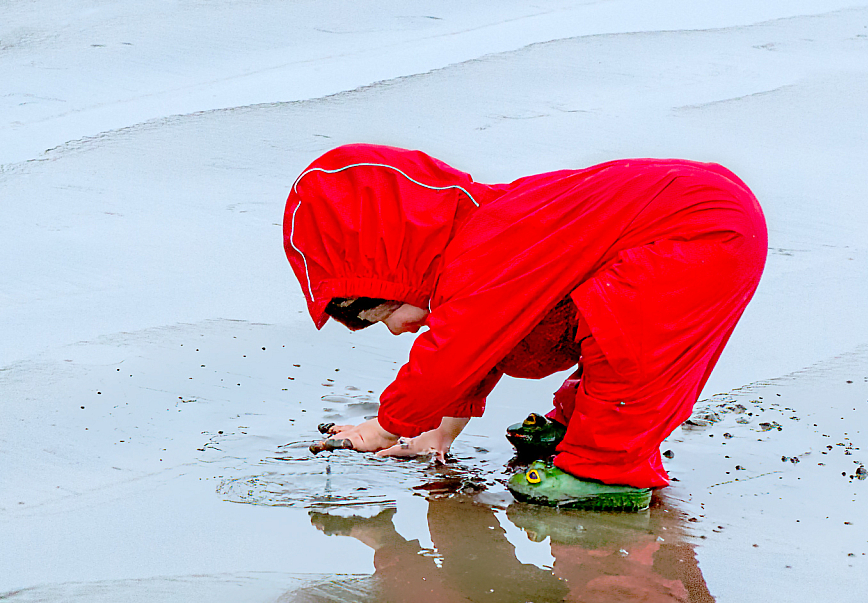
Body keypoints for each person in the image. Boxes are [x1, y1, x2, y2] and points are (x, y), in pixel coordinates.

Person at [284, 144, 767, 510]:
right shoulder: (483, 237)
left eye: (386, 314)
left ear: (397, 265)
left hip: (698, 230)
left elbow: (453, 354)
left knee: (631, 338)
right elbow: (487, 339)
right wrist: (437, 435)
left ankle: (607, 470)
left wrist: (385, 427)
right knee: (595, 316)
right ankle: (578, 428)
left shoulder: (482, 253)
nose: (395, 331)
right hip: (697, 210)